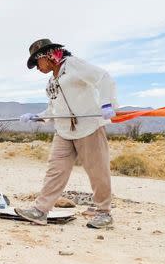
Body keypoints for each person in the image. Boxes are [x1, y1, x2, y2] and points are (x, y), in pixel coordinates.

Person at [15, 38, 118, 229]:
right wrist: (37, 117)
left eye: (37, 63)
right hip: (63, 130)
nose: (37, 68)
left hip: (89, 127)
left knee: (97, 171)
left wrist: (106, 103)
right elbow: (54, 109)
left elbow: (103, 77)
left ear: (45, 56)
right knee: (55, 170)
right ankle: (40, 211)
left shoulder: (73, 65)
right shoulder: (51, 83)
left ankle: (104, 213)